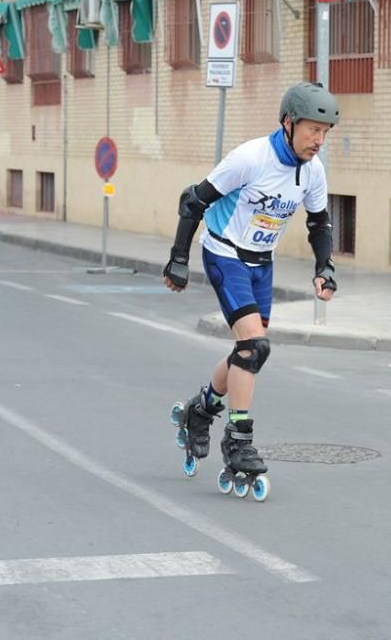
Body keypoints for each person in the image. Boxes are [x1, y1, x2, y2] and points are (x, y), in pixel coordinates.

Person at [162, 82, 339, 496]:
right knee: (255, 347)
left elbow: (319, 224)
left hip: (262, 263)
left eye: (326, 132)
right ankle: (238, 440)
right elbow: (194, 201)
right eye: (313, 129)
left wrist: (324, 267)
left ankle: (201, 409)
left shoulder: (312, 171)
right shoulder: (250, 158)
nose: (319, 140)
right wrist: (179, 259)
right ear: (288, 122)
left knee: (248, 351)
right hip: (225, 253)